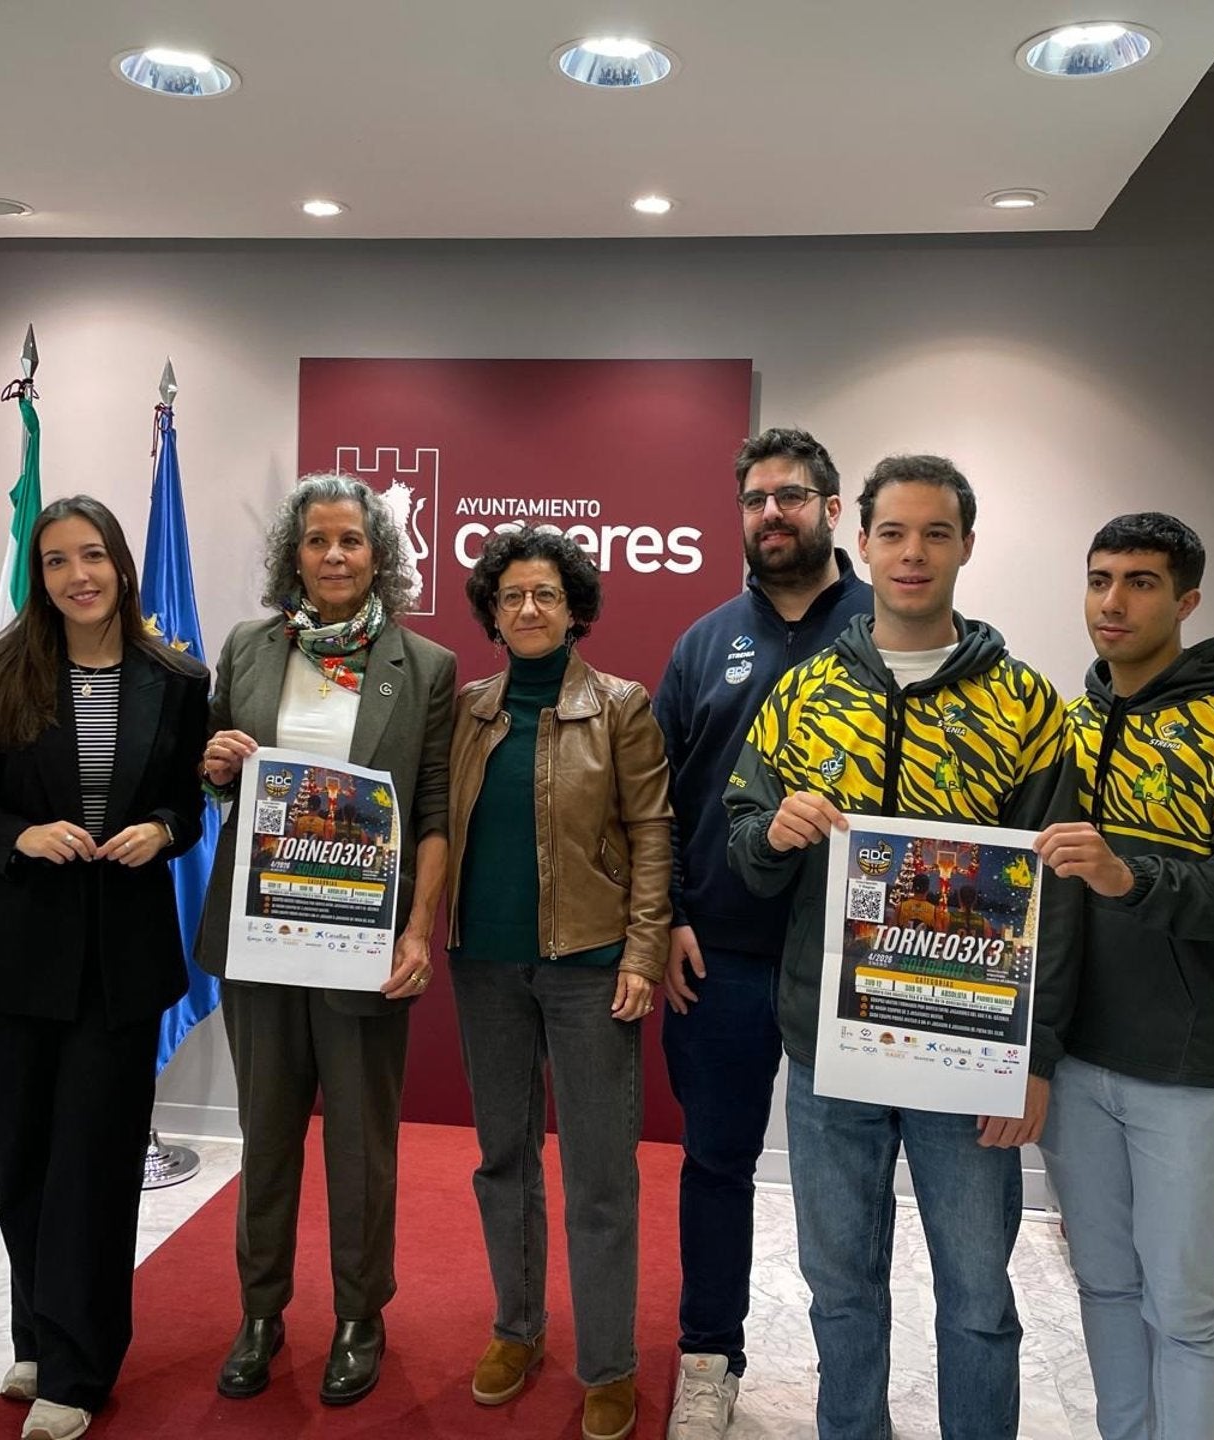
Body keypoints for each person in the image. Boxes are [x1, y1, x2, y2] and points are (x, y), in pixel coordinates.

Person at [724, 454, 1076, 1440]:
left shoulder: (1027, 705)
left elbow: (1058, 897)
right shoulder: (803, 694)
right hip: (831, 1047)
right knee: (839, 1288)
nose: (913, 553)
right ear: (863, 543)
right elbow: (743, 843)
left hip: (969, 1050)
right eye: (893, 533)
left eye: (935, 533)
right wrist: (772, 833)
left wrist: (1036, 1056)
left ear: (967, 545)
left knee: (978, 1297)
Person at [0, 495, 210, 1440]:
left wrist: (163, 830)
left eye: (91, 555)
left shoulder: (177, 678)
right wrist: (19, 836)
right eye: (56, 560)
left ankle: (78, 1370)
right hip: (15, 957)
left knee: (93, 1168)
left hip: (120, 964)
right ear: (39, 576)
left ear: (121, 566)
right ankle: (38, 1336)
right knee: (23, 1163)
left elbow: (187, 804)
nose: (76, 575)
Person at [1033, 513, 1214, 1440]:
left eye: (1141, 582)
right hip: (1076, 1057)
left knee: (1184, 1304)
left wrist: (1131, 876)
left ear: (1187, 600)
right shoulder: (1064, 728)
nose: (1113, 602)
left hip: (1192, 1065)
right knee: (1105, 1283)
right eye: (1100, 578)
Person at [195, 474, 456, 1408]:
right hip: (260, 932)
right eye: (317, 541)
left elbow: (434, 812)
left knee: (360, 1143)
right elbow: (214, 774)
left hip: (363, 940)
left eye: (350, 539)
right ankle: (260, 1313)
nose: (334, 555)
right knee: (265, 1136)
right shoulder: (247, 648)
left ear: (378, 553)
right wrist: (214, 763)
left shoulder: (426, 665)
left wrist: (418, 930)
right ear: (293, 555)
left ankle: (359, 1314)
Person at [651, 426, 871, 1438]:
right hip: (722, 955)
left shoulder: (887, 627)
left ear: (832, 509)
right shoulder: (704, 643)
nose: (771, 513)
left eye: (790, 495)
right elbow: (653, 800)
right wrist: (668, 916)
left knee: (851, 1188)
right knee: (716, 1164)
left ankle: (852, 1391)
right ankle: (709, 1358)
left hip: (857, 962)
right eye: (754, 500)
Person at [446, 526, 673, 1440]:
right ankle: (517, 1328)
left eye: (545, 594)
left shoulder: (620, 705)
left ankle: (609, 1363)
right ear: (492, 615)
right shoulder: (468, 710)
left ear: (575, 609)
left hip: (591, 969)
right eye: (511, 597)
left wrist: (643, 953)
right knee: (502, 1159)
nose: (528, 608)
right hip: (485, 967)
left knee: (599, 1176)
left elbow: (652, 831)